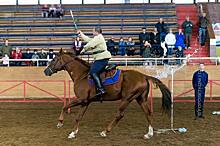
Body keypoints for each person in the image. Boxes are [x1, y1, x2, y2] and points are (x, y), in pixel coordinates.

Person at [77, 27, 112, 99]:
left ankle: (101, 89)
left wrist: (83, 50)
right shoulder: (97, 38)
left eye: (93, 31)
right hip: (100, 58)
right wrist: (81, 33)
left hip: (101, 58)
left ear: (96, 32)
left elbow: (90, 44)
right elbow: (88, 40)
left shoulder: (98, 37)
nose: (92, 32)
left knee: (93, 72)